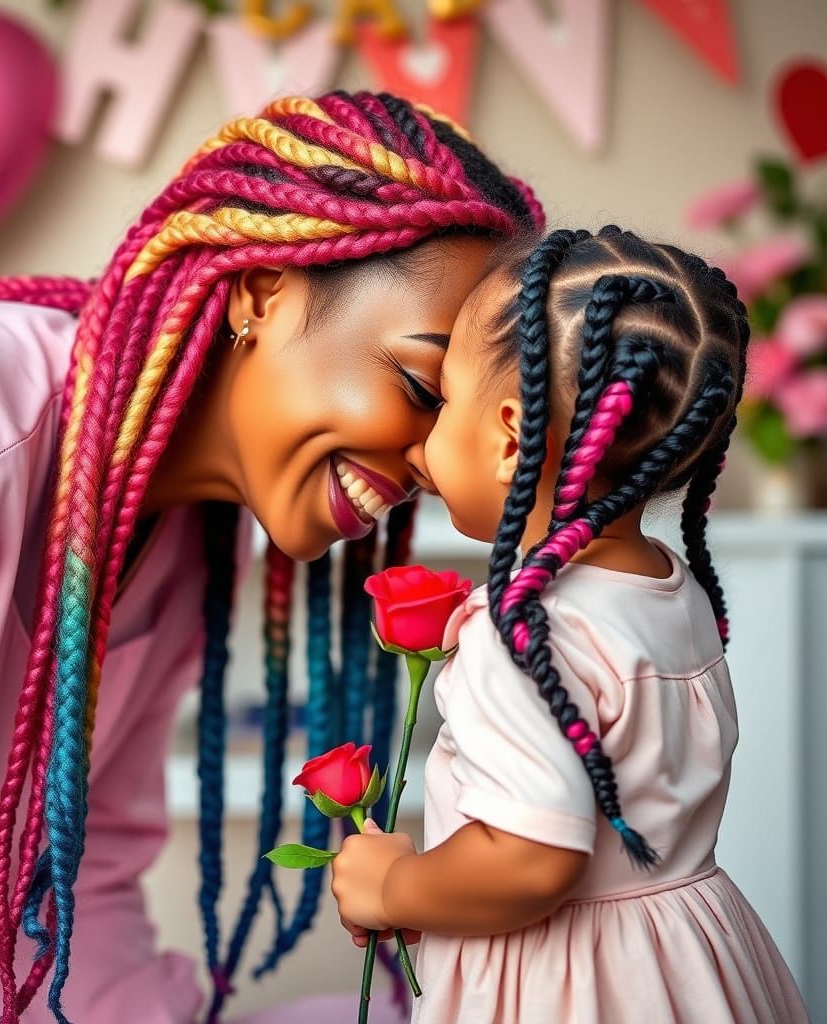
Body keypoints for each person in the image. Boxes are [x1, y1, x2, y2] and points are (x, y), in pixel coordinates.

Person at [0, 92, 543, 1023]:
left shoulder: (184, 539)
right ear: (263, 292)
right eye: (423, 389)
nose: (437, 462)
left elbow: (67, 885)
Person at [329, 227, 811, 1023]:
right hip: (693, 958)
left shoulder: (523, 634)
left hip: (572, 984)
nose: (421, 431)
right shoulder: (669, 588)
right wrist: (453, 891)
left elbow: (531, 861)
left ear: (512, 436)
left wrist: (394, 886)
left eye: (443, 399)